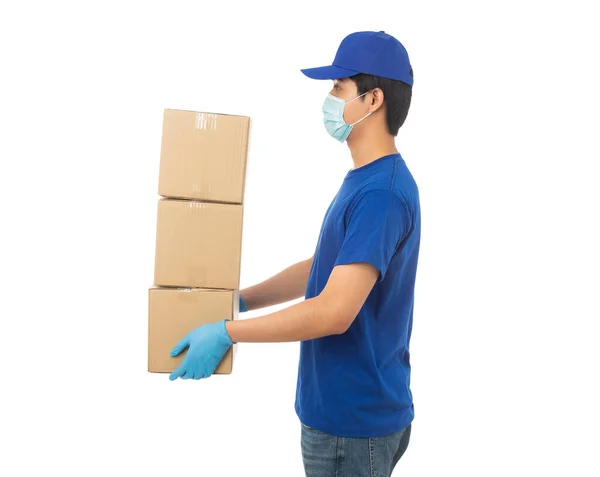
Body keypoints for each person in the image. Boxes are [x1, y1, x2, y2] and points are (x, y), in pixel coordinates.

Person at [168, 30, 421, 477]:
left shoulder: (381, 192)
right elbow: (323, 270)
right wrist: (241, 300)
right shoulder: (367, 180)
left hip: (351, 427)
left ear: (373, 99)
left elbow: (333, 311)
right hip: (352, 415)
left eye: (339, 87)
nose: (329, 98)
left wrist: (229, 331)